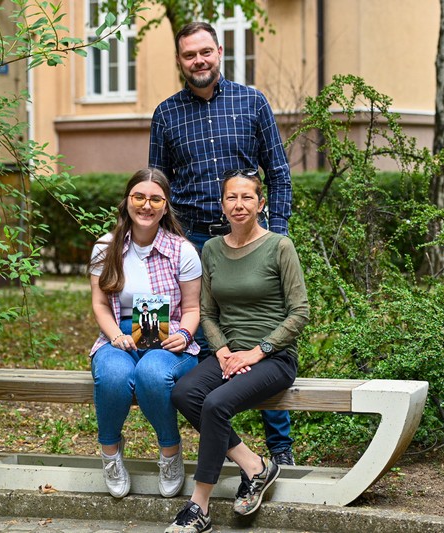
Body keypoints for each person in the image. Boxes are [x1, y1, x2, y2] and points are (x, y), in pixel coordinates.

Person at [149, 20, 297, 466]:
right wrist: (160, 247)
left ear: (219, 52)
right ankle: (215, 444)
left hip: (254, 239)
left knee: (261, 329)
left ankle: (280, 449)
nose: (199, 61)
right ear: (180, 61)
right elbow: (158, 187)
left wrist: (278, 238)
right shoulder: (165, 114)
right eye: (189, 55)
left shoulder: (251, 102)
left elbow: (280, 174)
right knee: (204, 341)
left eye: (205, 52)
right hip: (191, 242)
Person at [165, 170, 309, 533]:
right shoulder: (212, 249)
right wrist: (225, 351)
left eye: (247, 197)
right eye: (232, 197)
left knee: (215, 404)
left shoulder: (279, 246)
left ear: (261, 204)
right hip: (229, 354)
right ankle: (256, 467)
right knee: (185, 393)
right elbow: (208, 313)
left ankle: (199, 507)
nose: (239, 204)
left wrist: (259, 351)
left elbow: (300, 312)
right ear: (222, 205)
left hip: (274, 358)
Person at [88, 168, 202, 499]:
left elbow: (193, 309)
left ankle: (170, 452)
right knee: (112, 374)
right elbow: (99, 303)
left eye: (155, 199)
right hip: (118, 336)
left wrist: (184, 334)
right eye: (139, 197)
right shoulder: (105, 247)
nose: (146, 205)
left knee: (152, 373)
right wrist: (114, 336)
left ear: (166, 206)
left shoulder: (182, 250)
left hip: (168, 340)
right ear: (127, 201)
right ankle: (110, 453)